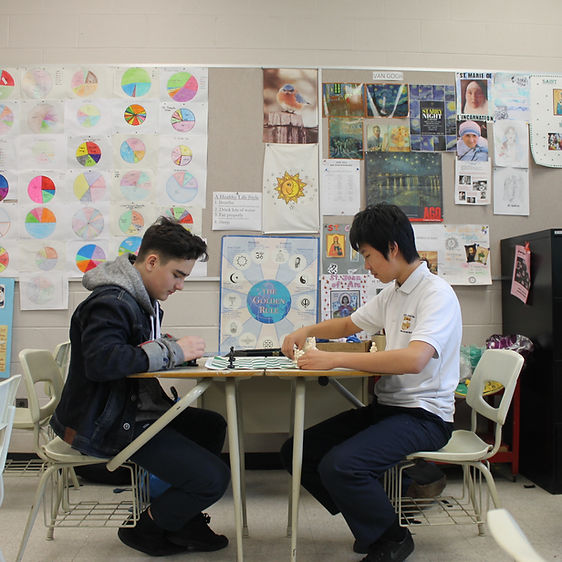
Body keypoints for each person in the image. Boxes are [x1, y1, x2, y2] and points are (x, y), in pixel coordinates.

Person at [280, 203, 462, 562]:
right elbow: (350, 325)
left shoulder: (435, 294)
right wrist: (306, 329)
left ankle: (391, 537)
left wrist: (333, 358)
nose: (366, 265)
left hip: (426, 416)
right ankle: (376, 514)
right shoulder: (394, 292)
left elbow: (414, 359)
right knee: (297, 452)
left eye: (367, 255)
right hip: (390, 409)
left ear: (392, 248)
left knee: (342, 465)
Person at [50, 217, 230, 557]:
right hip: (108, 423)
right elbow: (103, 362)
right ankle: (148, 529)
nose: (179, 286)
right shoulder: (111, 302)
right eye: (177, 275)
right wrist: (171, 350)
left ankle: (180, 518)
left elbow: (130, 349)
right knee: (213, 479)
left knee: (211, 426)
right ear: (151, 262)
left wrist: (165, 346)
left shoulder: (138, 301)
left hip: (124, 411)